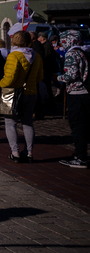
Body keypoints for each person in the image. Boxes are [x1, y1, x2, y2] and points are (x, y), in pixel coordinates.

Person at [0, 31, 44, 163]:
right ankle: (29, 152)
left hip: (12, 92)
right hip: (31, 92)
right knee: (27, 122)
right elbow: (40, 77)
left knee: (10, 123)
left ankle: (15, 152)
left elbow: (10, 78)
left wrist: (1, 83)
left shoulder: (14, 56)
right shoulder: (37, 56)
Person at [56, 30, 90, 168]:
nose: (61, 42)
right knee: (84, 125)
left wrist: (58, 78)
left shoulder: (71, 53)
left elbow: (70, 76)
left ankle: (80, 157)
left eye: (63, 40)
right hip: (86, 92)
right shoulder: (83, 51)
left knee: (78, 126)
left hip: (77, 93)